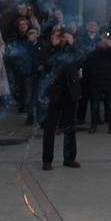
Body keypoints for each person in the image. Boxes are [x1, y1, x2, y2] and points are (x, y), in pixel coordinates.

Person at [41, 28, 81, 170]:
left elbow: (81, 60)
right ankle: (47, 160)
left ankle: (69, 158)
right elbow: (46, 65)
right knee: (50, 127)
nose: (61, 38)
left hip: (70, 91)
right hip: (54, 93)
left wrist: (72, 44)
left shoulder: (72, 49)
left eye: (63, 36)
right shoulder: (49, 49)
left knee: (70, 126)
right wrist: (53, 46)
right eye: (58, 36)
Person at [84, 32, 111, 134]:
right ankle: (93, 126)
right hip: (96, 82)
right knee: (94, 105)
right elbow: (88, 61)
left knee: (110, 105)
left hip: (110, 81)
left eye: (105, 40)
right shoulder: (94, 52)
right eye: (102, 40)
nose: (103, 42)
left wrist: (109, 46)